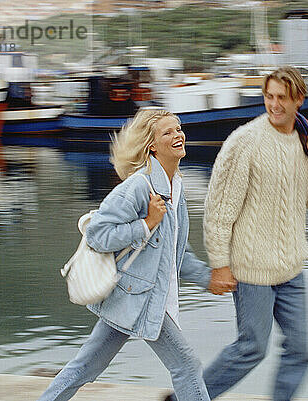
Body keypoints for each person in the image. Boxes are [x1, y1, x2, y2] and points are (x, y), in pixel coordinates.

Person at [38, 109, 234, 401]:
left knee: (85, 367)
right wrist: (146, 224)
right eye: (167, 132)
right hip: (139, 298)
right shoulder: (139, 186)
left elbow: (178, 254)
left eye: (178, 129)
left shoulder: (175, 189)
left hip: (135, 298)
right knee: (187, 366)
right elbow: (97, 235)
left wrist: (211, 279)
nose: (178, 135)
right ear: (152, 145)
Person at [201, 66, 308, 400]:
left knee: (302, 351)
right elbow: (218, 210)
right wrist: (219, 264)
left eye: (282, 98)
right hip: (251, 271)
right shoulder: (245, 141)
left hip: (291, 269)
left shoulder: (307, 141)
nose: (275, 105)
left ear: (299, 100)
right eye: (269, 96)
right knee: (252, 348)